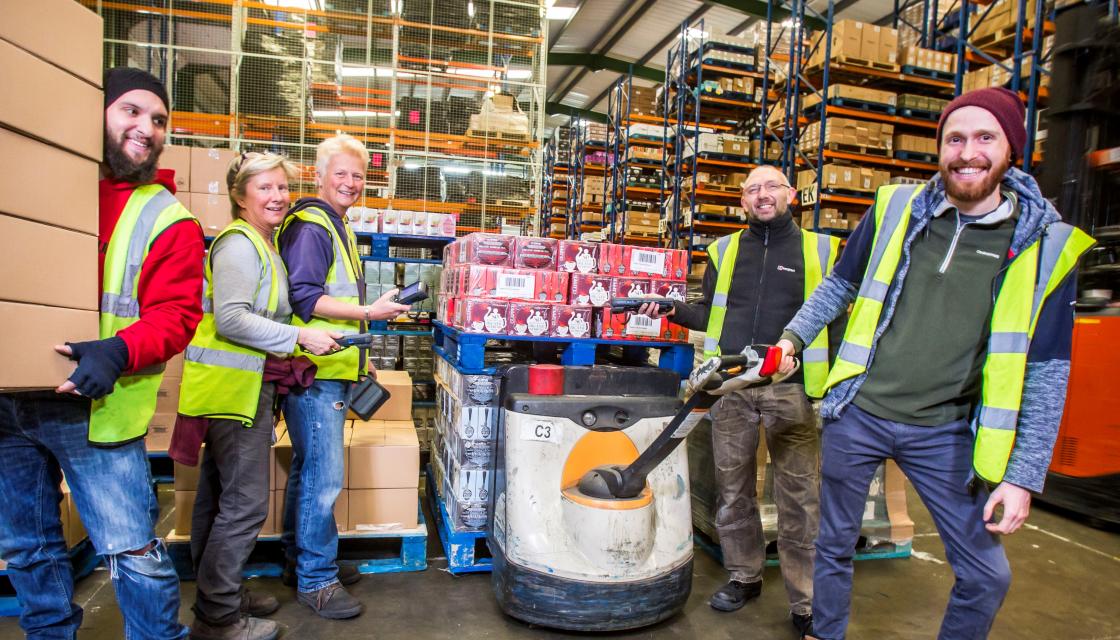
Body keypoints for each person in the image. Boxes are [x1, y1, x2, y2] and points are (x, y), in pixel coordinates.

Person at [776, 88, 1096, 640]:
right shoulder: (896, 208)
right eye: (954, 138)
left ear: (1010, 150)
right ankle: (823, 633)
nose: (967, 152)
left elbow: (1047, 371)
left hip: (946, 433)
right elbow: (839, 285)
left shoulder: (1048, 246)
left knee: (986, 574)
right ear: (940, 148)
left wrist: (1021, 476)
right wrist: (792, 339)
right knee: (832, 544)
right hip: (859, 413)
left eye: (984, 138)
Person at [0, 68, 204, 638]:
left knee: (131, 552)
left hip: (93, 407)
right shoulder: (31, 186)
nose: (146, 128)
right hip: (8, 401)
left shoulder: (166, 217)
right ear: (96, 113)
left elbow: (177, 314)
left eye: (158, 119)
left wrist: (117, 350)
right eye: (131, 112)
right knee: (28, 548)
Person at [641, 165, 840, 637]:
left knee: (800, 499)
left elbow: (835, 319)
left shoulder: (821, 249)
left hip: (791, 389)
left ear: (791, 194)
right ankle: (745, 575)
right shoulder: (724, 250)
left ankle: (806, 601)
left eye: (772, 187)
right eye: (753, 190)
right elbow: (713, 313)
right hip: (731, 387)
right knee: (733, 492)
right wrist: (671, 310)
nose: (763, 195)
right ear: (743, 202)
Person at [176, 152, 343, 639]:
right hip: (233, 392)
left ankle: (219, 594)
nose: (277, 197)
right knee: (246, 504)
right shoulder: (239, 244)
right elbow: (231, 319)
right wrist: (299, 338)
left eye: (281, 188)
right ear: (239, 195)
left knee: (219, 498)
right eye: (265, 188)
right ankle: (220, 618)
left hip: (239, 387)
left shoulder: (262, 243)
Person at [277, 134, 411, 619]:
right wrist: (369, 312)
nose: (351, 183)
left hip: (331, 365)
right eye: (342, 174)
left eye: (358, 175)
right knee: (323, 478)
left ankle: (299, 561)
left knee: (306, 471)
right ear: (318, 175)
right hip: (315, 373)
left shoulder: (335, 226)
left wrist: (360, 355)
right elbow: (306, 299)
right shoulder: (314, 227)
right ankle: (317, 580)